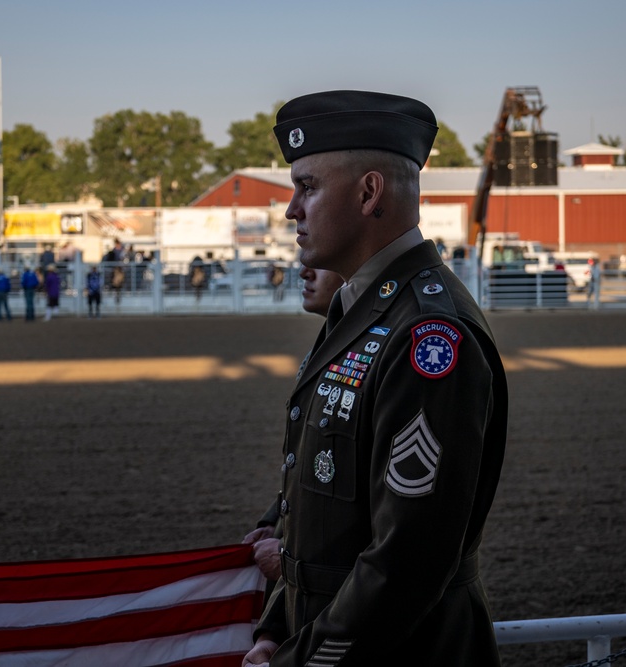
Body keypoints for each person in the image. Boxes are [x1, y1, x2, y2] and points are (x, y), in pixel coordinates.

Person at [243, 91, 508, 667]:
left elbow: (407, 560)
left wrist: (299, 659)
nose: (291, 209)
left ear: (369, 193)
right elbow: (317, 517)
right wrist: (276, 627)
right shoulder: (366, 310)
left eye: (307, 187)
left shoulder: (429, 336)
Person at [243, 265, 344, 592]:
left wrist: (292, 558)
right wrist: (277, 522)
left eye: (320, 263)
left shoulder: (369, 342)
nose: (304, 273)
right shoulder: (332, 338)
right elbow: (311, 461)